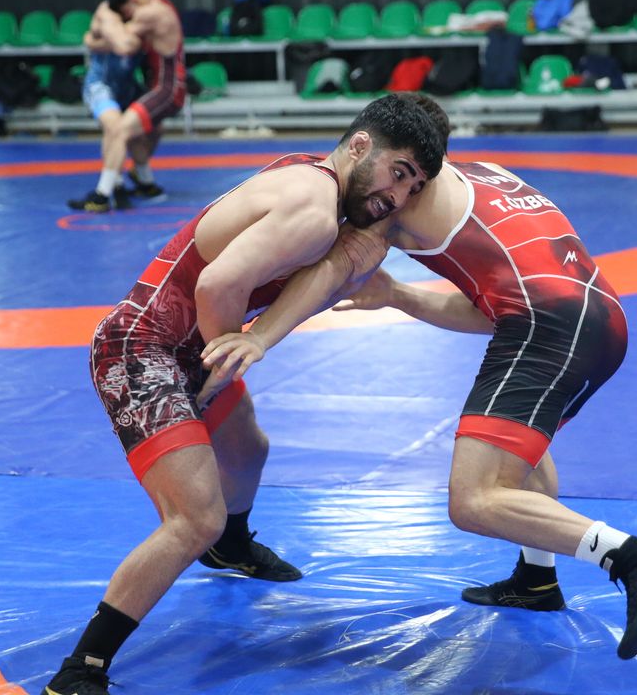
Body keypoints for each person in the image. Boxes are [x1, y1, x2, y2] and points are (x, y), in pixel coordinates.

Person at [201, 94, 637, 660]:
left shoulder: (393, 204)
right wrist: (399, 295)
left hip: (548, 327)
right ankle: (537, 580)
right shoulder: (494, 176)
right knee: (516, 454)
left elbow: (333, 269)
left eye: (409, 177)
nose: (399, 191)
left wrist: (259, 336)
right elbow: (492, 310)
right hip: (599, 318)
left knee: (474, 499)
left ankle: (634, 557)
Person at [42, 94, 446, 695]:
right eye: (399, 173)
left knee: (248, 448)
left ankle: (231, 548)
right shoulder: (314, 210)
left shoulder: (319, 184)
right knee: (194, 518)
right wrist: (223, 362)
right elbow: (217, 284)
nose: (399, 196)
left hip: (186, 348)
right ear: (360, 145)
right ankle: (81, 668)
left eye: (413, 188)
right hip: (141, 352)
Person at [68, 0, 183, 212]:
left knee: (131, 131)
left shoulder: (147, 13)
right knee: (122, 130)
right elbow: (123, 42)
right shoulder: (110, 11)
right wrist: (97, 35)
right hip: (108, 84)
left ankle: (118, 188)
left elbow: (126, 44)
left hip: (154, 87)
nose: (126, 14)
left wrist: (91, 40)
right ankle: (128, 185)